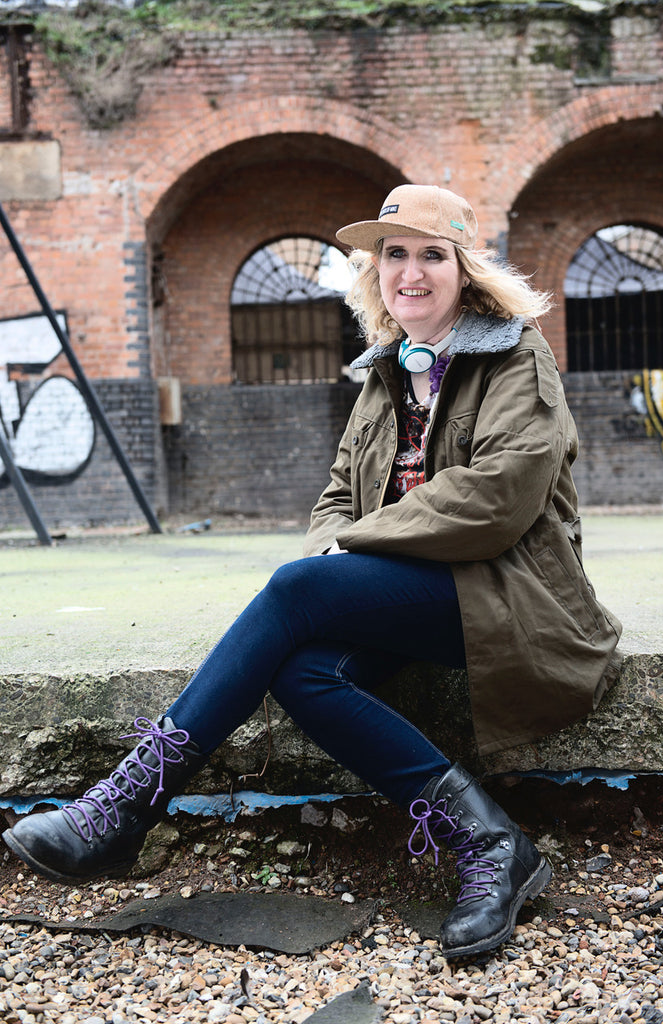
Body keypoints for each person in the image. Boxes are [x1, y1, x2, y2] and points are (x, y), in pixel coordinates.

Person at [2, 184, 622, 960]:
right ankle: (491, 842)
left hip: (508, 594)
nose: (411, 272)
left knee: (297, 587)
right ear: (376, 271)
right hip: (412, 590)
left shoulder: (514, 355)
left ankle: (127, 805)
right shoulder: (385, 370)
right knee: (302, 672)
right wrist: (342, 546)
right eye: (394, 254)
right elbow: (336, 495)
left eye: (432, 255)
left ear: (464, 270)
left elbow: (499, 497)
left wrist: (350, 548)